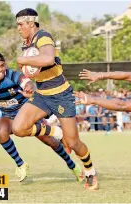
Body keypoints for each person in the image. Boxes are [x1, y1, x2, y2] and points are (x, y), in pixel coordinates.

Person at [0, 52, 83, 182]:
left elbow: (26, 82)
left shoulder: (12, 75)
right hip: (9, 116)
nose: (1, 70)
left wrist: (29, 88)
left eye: (2, 66)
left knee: (51, 142)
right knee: (1, 130)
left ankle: (72, 166)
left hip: (28, 114)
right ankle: (21, 164)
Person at [12, 8, 98, 190]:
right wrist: (29, 82)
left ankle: (90, 170)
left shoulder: (43, 36)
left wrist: (22, 60)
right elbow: (34, 72)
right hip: (42, 94)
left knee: (73, 143)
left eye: (20, 24)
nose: (18, 28)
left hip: (61, 95)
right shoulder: (26, 44)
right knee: (18, 128)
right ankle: (53, 132)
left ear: (30, 23)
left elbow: (49, 59)